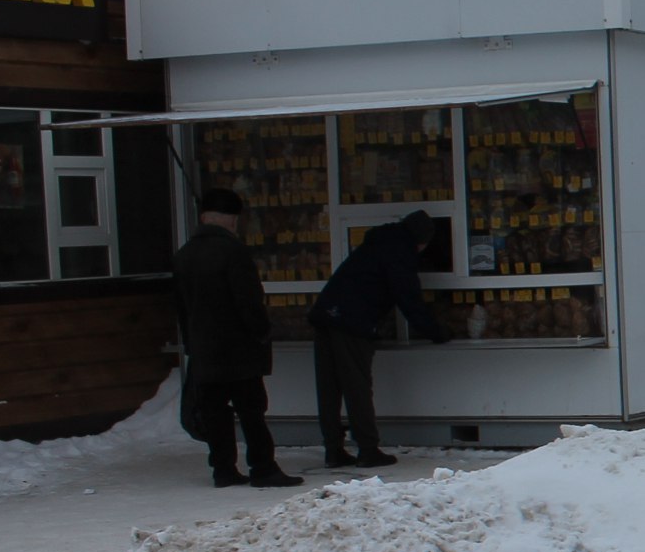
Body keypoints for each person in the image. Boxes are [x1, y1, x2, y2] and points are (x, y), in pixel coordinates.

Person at [171, 187, 302, 488]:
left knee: (215, 413)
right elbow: (249, 301)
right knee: (252, 411)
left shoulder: (183, 256)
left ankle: (223, 469)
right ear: (231, 221)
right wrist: (262, 332)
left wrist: (193, 345)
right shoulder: (234, 252)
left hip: (205, 350)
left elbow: (181, 307)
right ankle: (263, 467)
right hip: (239, 349)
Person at [311, 209, 453, 468]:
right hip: (351, 323)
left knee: (329, 389)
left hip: (325, 316)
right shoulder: (400, 253)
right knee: (357, 387)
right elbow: (408, 299)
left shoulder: (379, 242)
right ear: (422, 241)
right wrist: (437, 332)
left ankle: (333, 449)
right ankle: (367, 449)